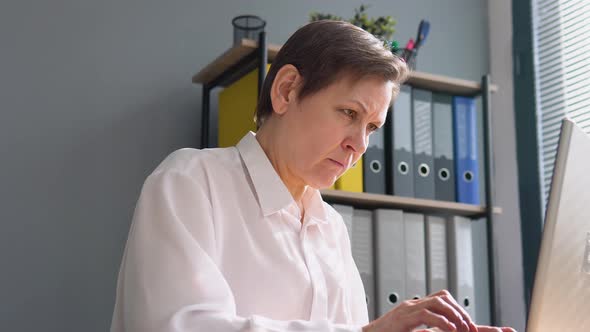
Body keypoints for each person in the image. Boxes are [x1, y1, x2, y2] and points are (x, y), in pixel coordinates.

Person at [110, 20, 515, 332]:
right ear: (286, 91)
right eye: (349, 113)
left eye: (372, 127)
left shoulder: (331, 229)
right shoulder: (190, 182)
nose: (360, 144)